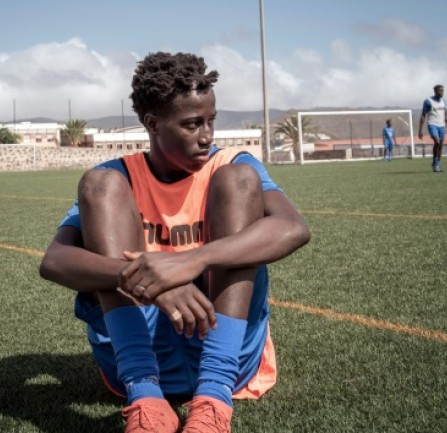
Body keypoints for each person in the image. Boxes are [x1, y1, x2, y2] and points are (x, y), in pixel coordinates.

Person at [40, 52, 311, 433]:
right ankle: (146, 398)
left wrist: (194, 260)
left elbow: (293, 229)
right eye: (191, 124)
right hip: (135, 355)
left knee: (239, 179)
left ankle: (214, 400)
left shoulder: (232, 164)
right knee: (99, 184)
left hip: (226, 353)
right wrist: (141, 277)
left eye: (211, 121)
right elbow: (53, 261)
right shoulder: (115, 177)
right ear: (152, 123)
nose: (207, 136)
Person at [418, 84, 447, 172]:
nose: (442, 92)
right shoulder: (428, 101)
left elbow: (445, 116)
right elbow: (423, 115)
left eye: (443, 90)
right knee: (437, 142)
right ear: (435, 91)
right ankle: (436, 165)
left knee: (440, 146)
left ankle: (436, 164)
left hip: (442, 126)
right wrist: (420, 130)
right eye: (440, 90)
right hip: (432, 125)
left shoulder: (443, 101)